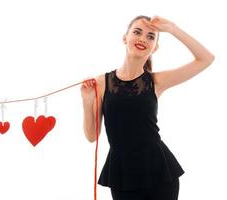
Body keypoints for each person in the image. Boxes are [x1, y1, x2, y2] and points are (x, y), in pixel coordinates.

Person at [80, 15, 214, 200]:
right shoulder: (102, 82)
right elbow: (91, 136)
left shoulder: (156, 81)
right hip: (122, 175)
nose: (143, 38)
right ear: (125, 37)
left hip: (159, 172)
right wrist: (87, 102)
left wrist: (173, 28)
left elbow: (206, 59)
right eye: (137, 32)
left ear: (155, 47)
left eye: (151, 36)